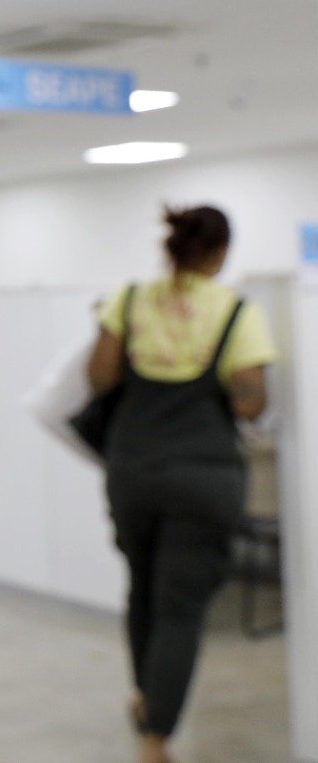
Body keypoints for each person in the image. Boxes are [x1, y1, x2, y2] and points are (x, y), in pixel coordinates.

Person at [86, 205, 275, 763]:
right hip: (203, 475)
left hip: (134, 469)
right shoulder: (237, 311)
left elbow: (99, 377)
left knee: (142, 590)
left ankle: (147, 699)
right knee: (181, 609)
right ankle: (155, 738)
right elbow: (250, 401)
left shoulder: (130, 299)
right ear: (220, 253)